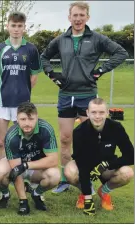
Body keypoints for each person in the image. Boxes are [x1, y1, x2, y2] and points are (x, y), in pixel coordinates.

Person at [40, 1, 128, 193]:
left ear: (87, 17)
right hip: (65, 95)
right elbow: (43, 57)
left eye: (82, 15)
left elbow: (121, 53)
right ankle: (65, 179)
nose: (78, 19)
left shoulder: (96, 38)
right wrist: (52, 74)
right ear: (69, 17)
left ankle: (89, 179)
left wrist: (101, 70)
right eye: (75, 15)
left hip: (87, 95)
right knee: (64, 139)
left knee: (90, 139)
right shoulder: (61, 39)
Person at [0, 12, 42, 192]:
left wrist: (22, 93)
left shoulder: (31, 49)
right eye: (13, 25)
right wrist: (5, 92)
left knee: (24, 142)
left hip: (22, 104)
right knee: (0, 142)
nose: (16, 29)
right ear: (7, 26)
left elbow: (33, 77)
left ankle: (23, 176)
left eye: (20, 26)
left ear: (24, 28)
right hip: (2, 103)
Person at [64, 98, 134, 215]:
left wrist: (106, 165)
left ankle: (103, 192)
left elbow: (131, 156)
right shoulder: (79, 132)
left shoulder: (116, 128)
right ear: (87, 113)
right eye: (94, 112)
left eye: (101, 112)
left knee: (128, 173)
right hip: (86, 166)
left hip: (107, 167)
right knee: (69, 172)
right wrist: (88, 198)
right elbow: (82, 163)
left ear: (107, 112)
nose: (97, 116)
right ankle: (86, 192)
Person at [0, 102, 60, 215]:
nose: (27, 123)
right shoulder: (11, 135)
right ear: (17, 119)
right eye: (23, 119)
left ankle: (36, 194)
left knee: (55, 175)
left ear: (37, 117)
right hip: (17, 165)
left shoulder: (46, 129)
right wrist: (23, 201)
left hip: (36, 167)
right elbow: (16, 170)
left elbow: (53, 160)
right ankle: (5, 194)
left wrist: (26, 165)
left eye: (30, 119)